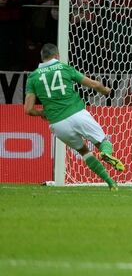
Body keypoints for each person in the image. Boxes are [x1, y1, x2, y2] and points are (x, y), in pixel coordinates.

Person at [24, 43, 124, 190]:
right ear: (57, 55)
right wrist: (106, 91)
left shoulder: (33, 77)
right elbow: (93, 84)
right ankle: (106, 153)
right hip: (77, 113)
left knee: (84, 151)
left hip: (58, 123)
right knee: (102, 141)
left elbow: (28, 109)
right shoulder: (64, 68)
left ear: (42, 58)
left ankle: (110, 182)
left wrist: (41, 113)